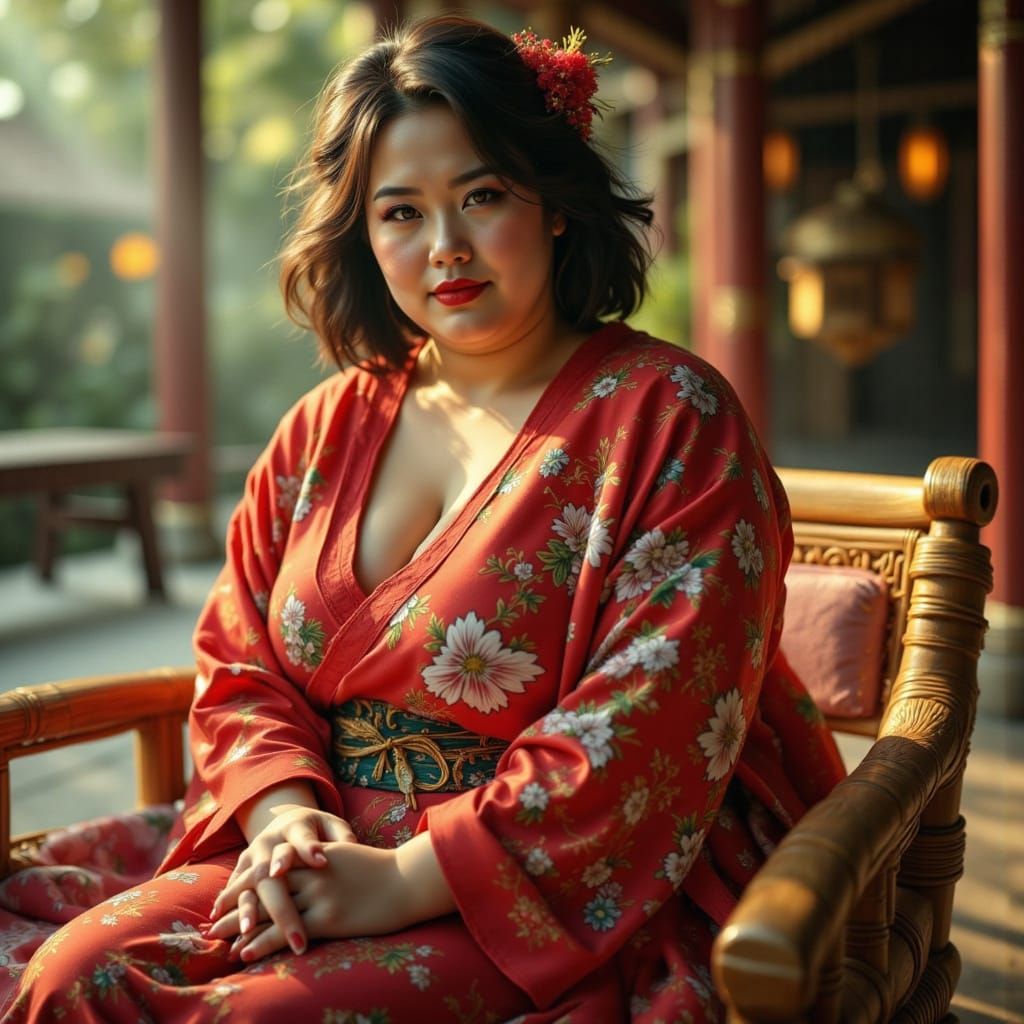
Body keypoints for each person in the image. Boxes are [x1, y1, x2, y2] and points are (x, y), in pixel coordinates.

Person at [4, 14, 844, 1022]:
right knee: (71, 980)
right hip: (309, 839)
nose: (445, 247)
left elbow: (648, 725)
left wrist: (402, 879)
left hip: (551, 882)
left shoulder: (672, 419)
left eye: (481, 196)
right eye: (399, 212)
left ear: (555, 203)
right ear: (362, 231)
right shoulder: (328, 423)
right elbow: (239, 657)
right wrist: (283, 818)